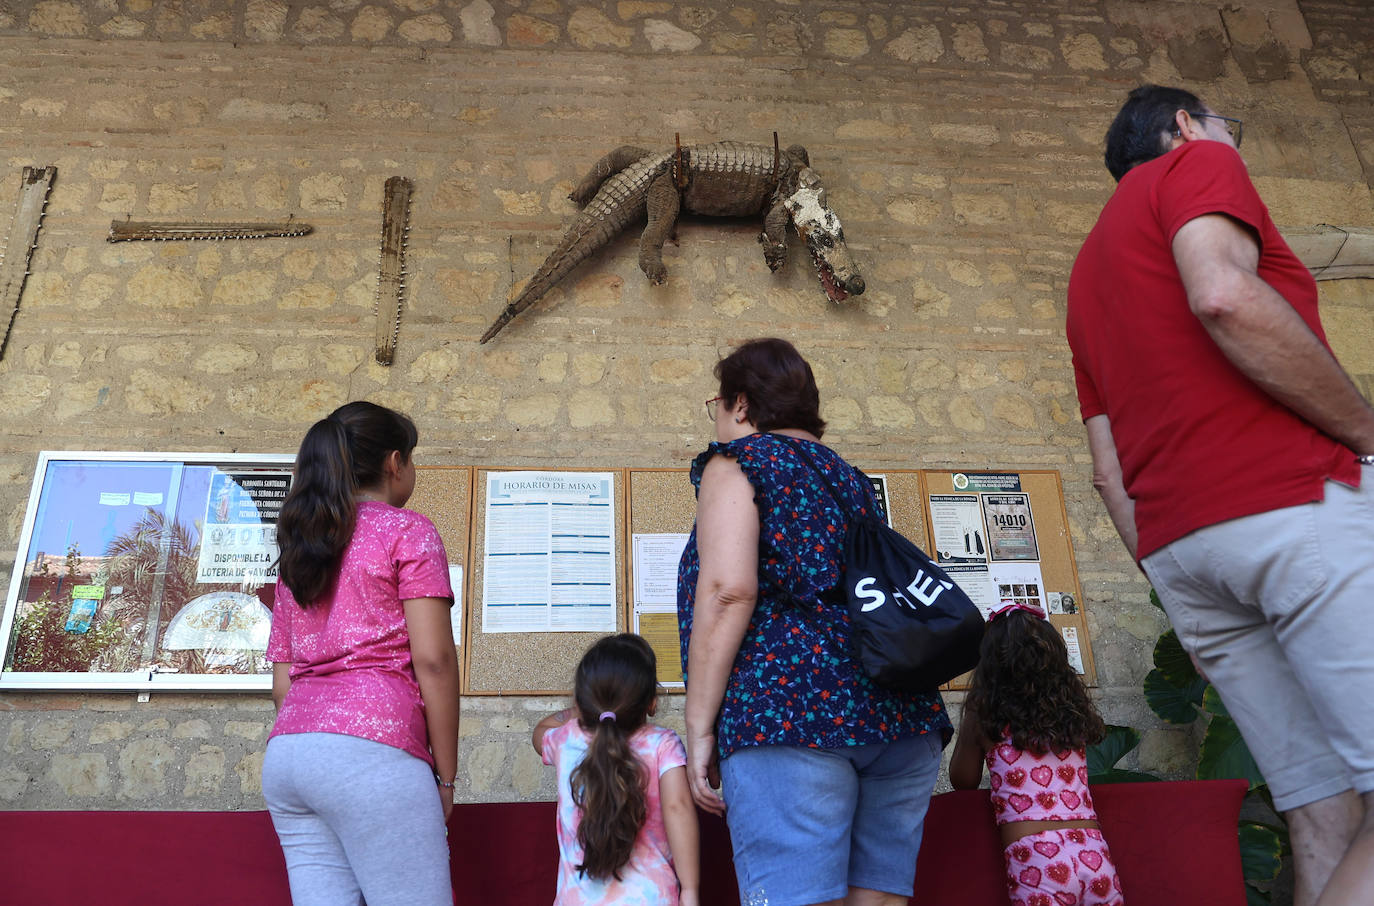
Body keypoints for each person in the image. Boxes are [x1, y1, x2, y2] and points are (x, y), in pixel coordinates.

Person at [1067, 84, 1374, 906]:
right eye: (1225, 126)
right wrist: (1367, 434)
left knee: (1321, 814)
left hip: (1184, 551)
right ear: (1182, 126)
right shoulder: (1196, 165)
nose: (1230, 143)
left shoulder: (1086, 273)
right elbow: (1224, 294)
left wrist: (1178, 590)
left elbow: (1107, 469)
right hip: (1289, 504)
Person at [676, 337, 949, 906]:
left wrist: (700, 725)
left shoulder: (741, 461)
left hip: (793, 714)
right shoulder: (849, 479)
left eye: (718, 407)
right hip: (901, 714)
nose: (720, 420)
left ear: (742, 404)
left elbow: (729, 592)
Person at [262, 401, 459, 906]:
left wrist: (320, 743)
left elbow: (283, 681)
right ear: (394, 462)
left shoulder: (301, 548)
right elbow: (433, 661)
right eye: (412, 460)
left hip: (290, 755)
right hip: (374, 749)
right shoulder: (406, 530)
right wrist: (445, 773)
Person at [950, 603, 1122, 906]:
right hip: (1093, 852)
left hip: (1037, 858)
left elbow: (963, 779)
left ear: (991, 663)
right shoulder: (1070, 713)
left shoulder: (985, 712)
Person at [532, 633, 699, 906]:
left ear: (582, 699)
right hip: (651, 897)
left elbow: (540, 733)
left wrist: (578, 713)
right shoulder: (662, 744)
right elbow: (678, 808)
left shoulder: (566, 739)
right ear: (651, 702)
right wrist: (690, 890)